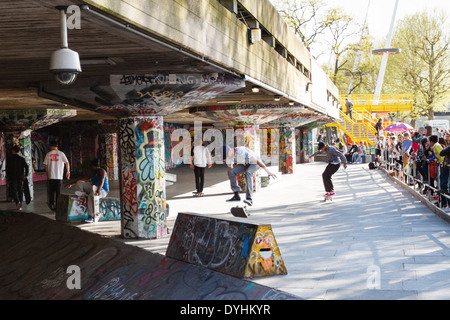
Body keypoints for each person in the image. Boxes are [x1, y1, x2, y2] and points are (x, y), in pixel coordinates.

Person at [66, 159, 109, 223]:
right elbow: (82, 178)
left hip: (102, 190)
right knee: (80, 182)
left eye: (90, 166)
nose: (90, 168)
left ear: (93, 166)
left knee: (91, 196)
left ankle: (91, 216)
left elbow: (101, 181)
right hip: (93, 188)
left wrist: (98, 189)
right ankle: (81, 193)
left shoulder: (102, 171)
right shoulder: (92, 172)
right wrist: (71, 184)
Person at [43, 141, 70, 211]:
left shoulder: (48, 154)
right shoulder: (61, 154)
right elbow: (67, 163)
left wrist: (47, 174)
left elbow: (46, 165)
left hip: (51, 176)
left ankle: (51, 204)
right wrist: (68, 171)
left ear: (51, 146)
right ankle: (58, 206)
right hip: (59, 176)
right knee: (58, 192)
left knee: (51, 192)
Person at [6, 145, 29, 211]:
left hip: (13, 177)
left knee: (14, 190)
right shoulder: (22, 159)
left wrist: (8, 176)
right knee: (20, 190)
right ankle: (20, 204)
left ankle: (17, 202)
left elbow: (7, 168)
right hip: (20, 177)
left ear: (13, 151)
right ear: (18, 151)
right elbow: (26, 167)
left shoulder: (10, 159)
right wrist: (26, 175)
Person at [429, 135, 449, 211]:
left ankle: (446, 204)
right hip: (441, 164)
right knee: (441, 181)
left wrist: (441, 161)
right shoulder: (434, 146)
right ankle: (444, 203)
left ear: (431, 141)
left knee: (443, 183)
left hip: (443, 165)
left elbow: (442, 155)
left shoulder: (436, 146)